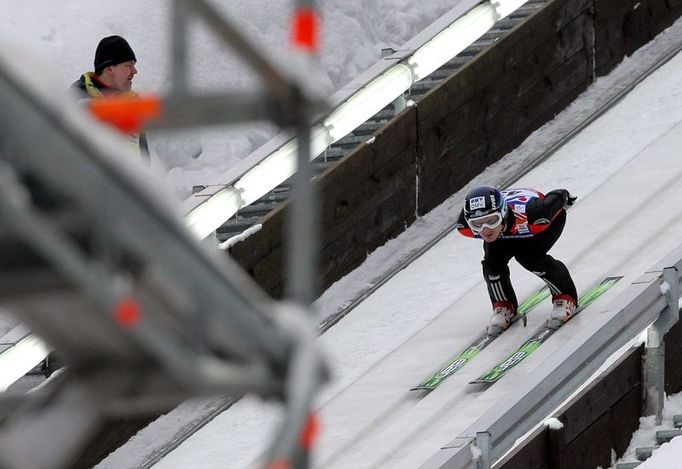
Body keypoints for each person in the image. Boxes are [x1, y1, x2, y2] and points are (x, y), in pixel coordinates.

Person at [456, 185, 578, 334]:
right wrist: (494, 225)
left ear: (502, 212)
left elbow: (557, 195)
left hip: (535, 225)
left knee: (530, 258)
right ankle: (503, 304)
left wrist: (565, 197)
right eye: (477, 224)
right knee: (491, 265)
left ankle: (565, 297)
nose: (485, 229)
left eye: (491, 220)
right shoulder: (465, 225)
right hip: (503, 231)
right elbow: (488, 229)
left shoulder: (536, 213)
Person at [70, 35, 150, 161]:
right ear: (109, 69)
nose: (135, 71)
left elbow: (144, 161)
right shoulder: (74, 101)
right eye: (129, 65)